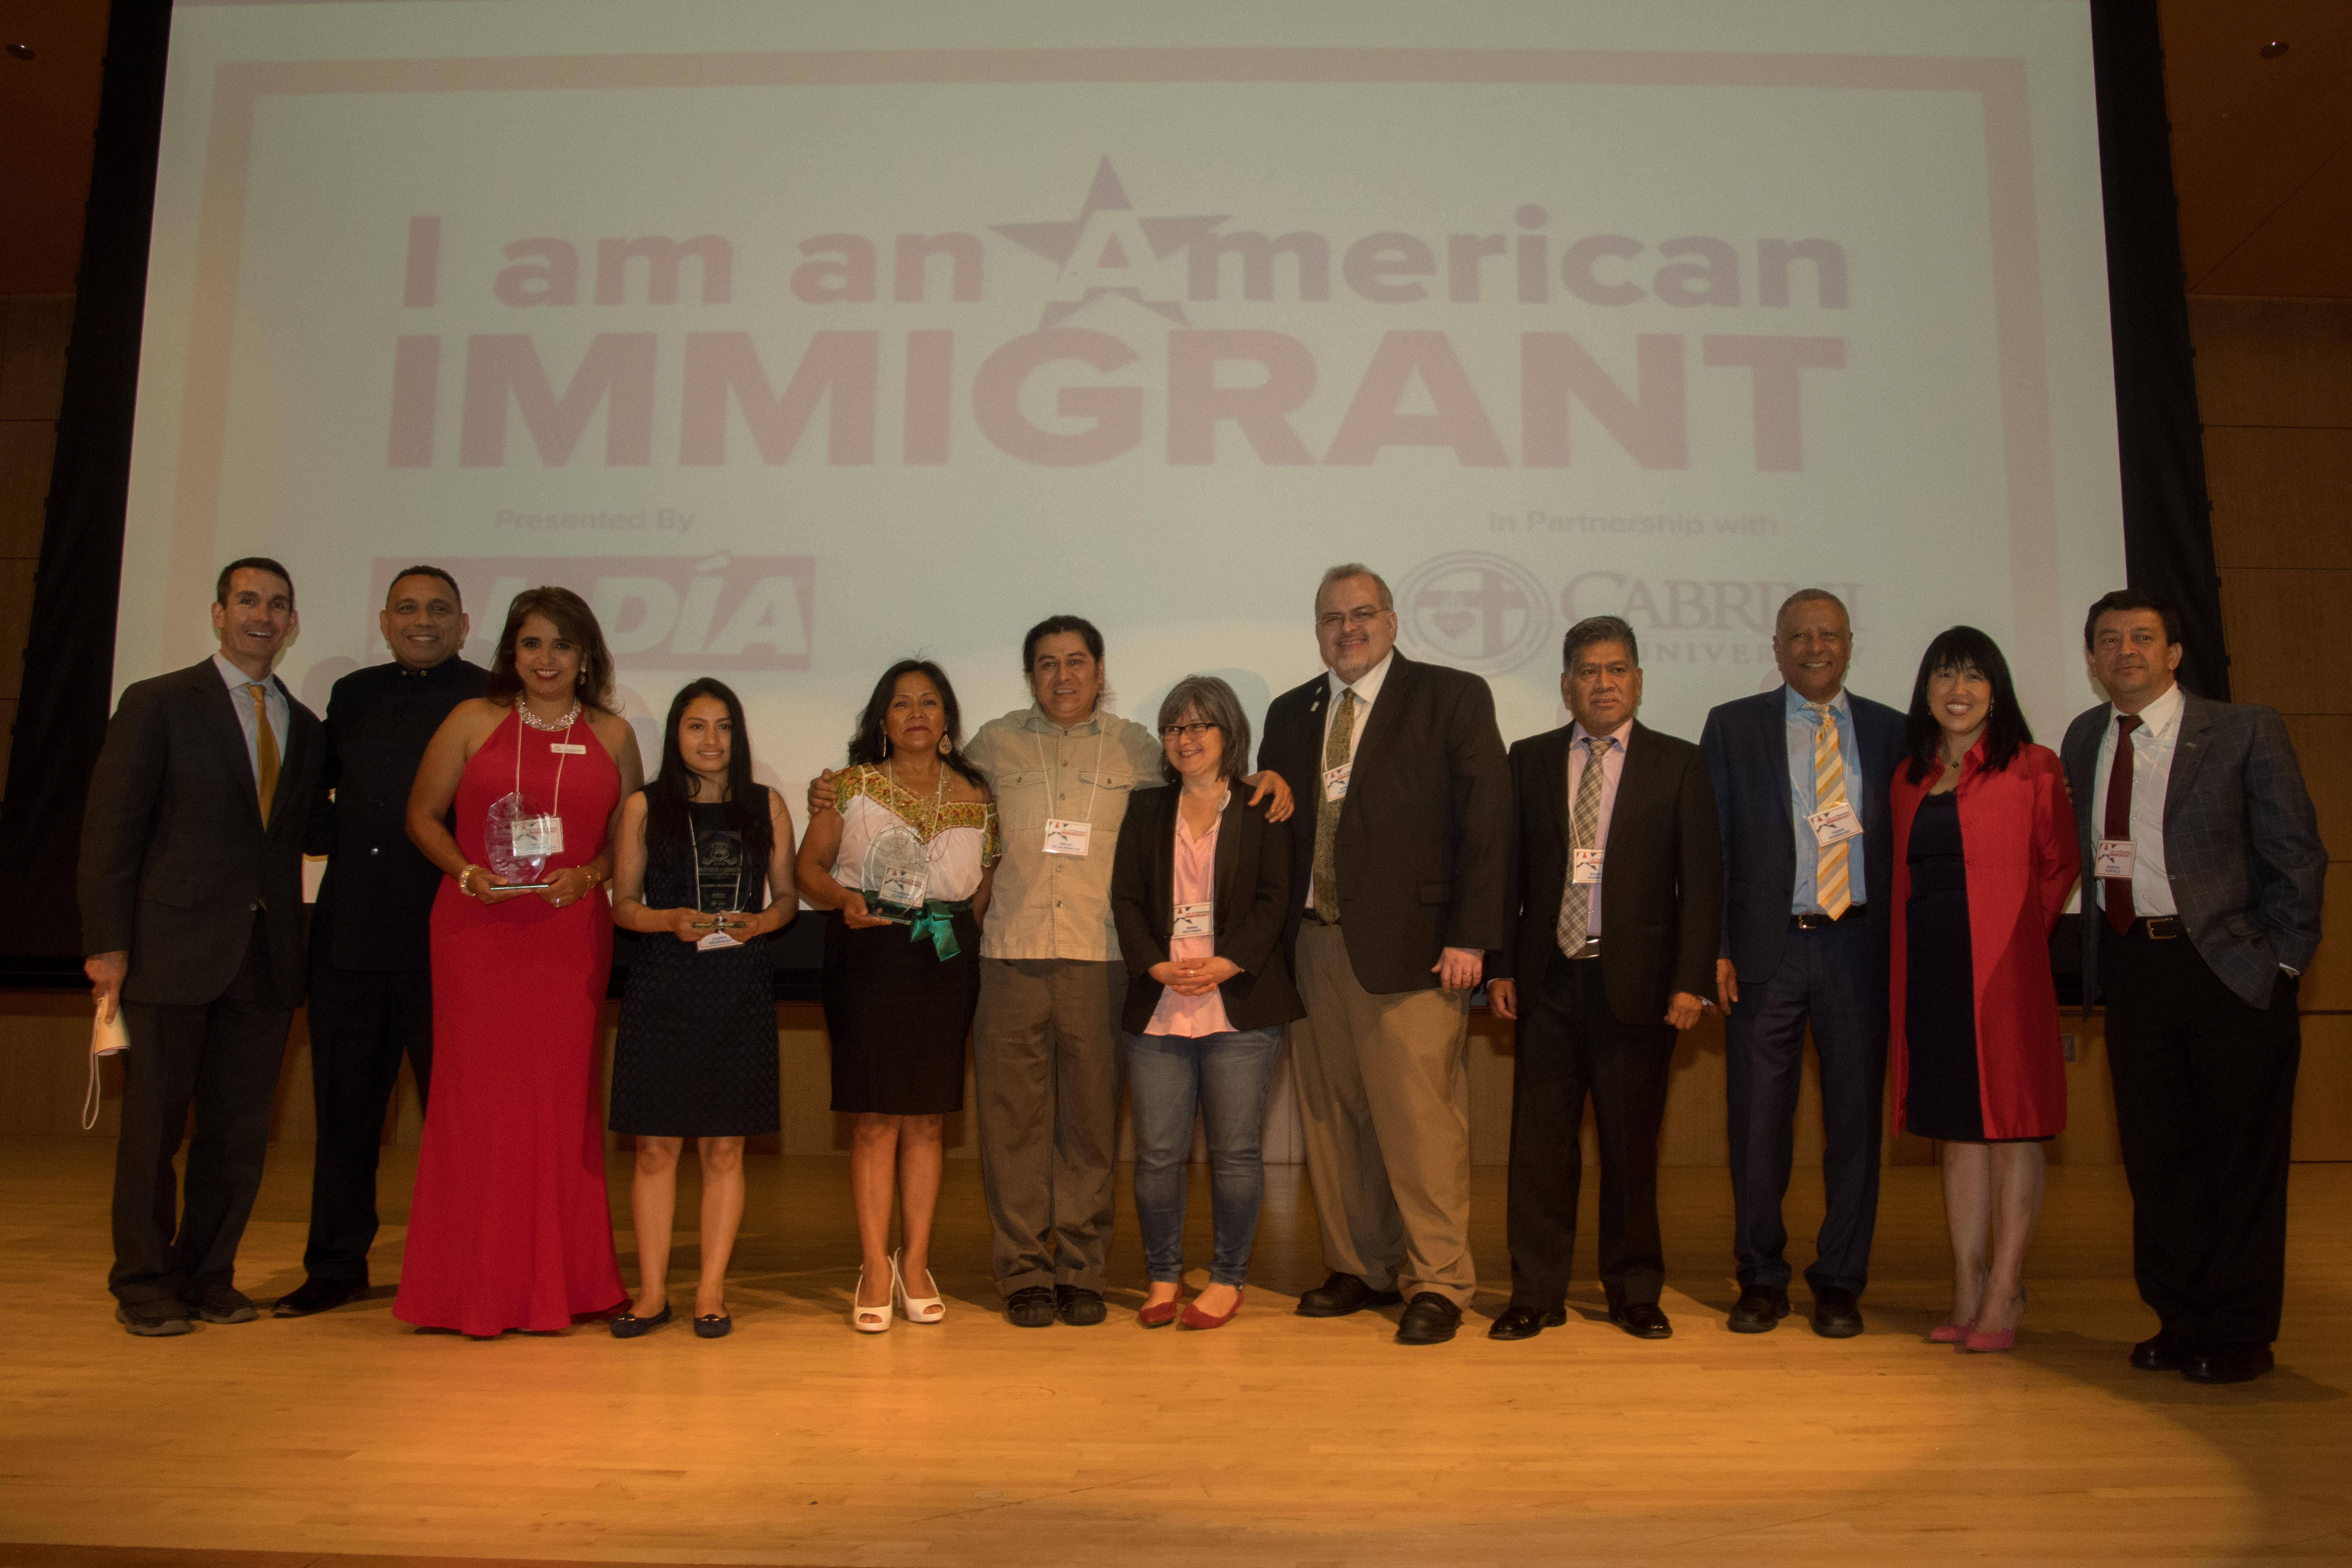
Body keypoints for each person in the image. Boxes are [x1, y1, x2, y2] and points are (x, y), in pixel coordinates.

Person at [808, 619, 1288, 1328]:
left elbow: (1205, 775)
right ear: (1029, 675)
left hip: (1103, 961)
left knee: (1091, 1126)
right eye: (1045, 664)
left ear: (1099, 670)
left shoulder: (1139, 748)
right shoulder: (992, 745)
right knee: (1012, 1126)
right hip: (1007, 955)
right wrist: (829, 788)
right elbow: (922, 781)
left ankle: (1081, 1271)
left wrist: (1262, 777)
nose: (1062, 676)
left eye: (1076, 662)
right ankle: (1025, 1271)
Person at [2062, 590, 2325, 1385]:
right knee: (2157, 1159)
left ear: (2174, 653)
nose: (2125, 652)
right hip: (2133, 969)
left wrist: (2281, 964)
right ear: (2092, 658)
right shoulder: (2083, 738)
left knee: (2238, 1160)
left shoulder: (2244, 730)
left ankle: (2239, 1331)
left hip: (2229, 968)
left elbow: (2297, 857)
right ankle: (2178, 1319)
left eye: (2142, 637)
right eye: (2107, 640)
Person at [1259, 564, 1512, 1346]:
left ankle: (1437, 1278)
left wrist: (1472, 935)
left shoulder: (1452, 696)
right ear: (1317, 630)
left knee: (1420, 1123)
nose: (1347, 628)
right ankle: (1359, 1264)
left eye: (1362, 613)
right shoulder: (1290, 712)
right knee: (1334, 1118)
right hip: (1313, 943)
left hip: (1416, 950)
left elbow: (1489, 822)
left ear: (1393, 621)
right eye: (1331, 617)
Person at [80, 558, 325, 1335]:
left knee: (236, 1135)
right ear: (218, 613)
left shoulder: (305, 724)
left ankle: (208, 1275)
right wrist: (107, 945)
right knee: (152, 1131)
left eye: (277, 604)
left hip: (264, 956)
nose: (263, 614)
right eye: (248, 600)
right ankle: (144, 1282)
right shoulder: (157, 703)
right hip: (166, 950)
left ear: (291, 624)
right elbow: (110, 830)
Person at [395, 586, 644, 1337]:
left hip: (569, 937)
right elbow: (420, 816)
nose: (546, 659)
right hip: (479, 931)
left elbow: (629, 838)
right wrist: (468, 872)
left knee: (559, 1110)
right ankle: (469, 1287)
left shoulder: (615, 734)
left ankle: (563, 1284)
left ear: (586, 655)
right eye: (532, 644)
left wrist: (594, 874)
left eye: (561, 646)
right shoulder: (472, 721)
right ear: (512, 651)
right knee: (479, 1111)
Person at [1488, 616, 1721, 1342]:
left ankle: (1633, 1291)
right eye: (1588, 671)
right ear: (1566, 685)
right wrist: (1498, 964)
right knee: (1539, 1148)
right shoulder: (1525, 761)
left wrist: (1689, 979)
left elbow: (1701, 883)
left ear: (1639, 682)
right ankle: (1536, 1292)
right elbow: (1505, 876)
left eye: (1617, 669)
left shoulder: (1677, 764)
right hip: (1548, 981)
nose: (1603, 683)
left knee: (1628, 1148)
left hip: (1638, 985)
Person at [277, 566, 487, 1319]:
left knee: (458, 1127)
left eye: (438, 609)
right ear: (385, 619)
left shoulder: (493, 698)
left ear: (464, 624)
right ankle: (335, 1266)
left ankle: (465, 1266)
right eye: (407, 608)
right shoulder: (352, 694)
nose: (421, 620)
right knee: (343, 1117)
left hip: (451, 942)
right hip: (351, 939)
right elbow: (315, 798)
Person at [1699, 588, 1906, 1337]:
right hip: (1767, 946)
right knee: (1757, 1123)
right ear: (1776, 647)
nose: (1814, 647)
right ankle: (1759, 1277)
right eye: (1798, 636)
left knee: (1853, 1122)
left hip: (1858, 943)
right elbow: (1713, 845)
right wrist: (1715, 945)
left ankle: (1840, 1281)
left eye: (1828, 634)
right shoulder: (1733, 726)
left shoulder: (1892, 731)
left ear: (1849, 643)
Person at [1888, 628, 2078, 1353]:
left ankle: (2006, 1286)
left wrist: (2012, 943)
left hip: (2004, 973)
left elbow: (2057, 867)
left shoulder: (2032, 766)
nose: (1957, 689)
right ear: (1926, 691)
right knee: (1957, 1130)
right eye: (1943, 676)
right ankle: (1965, 1284)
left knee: (2013, 1125)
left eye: (1972, 676)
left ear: (1995, 690)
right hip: (1929, 973)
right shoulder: (1908, 775)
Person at [798, 660, 997, 1332]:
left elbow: (980, 892)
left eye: (930, 702)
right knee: (876, 1118)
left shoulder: (979, 791)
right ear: (881, 719)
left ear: (947, 720)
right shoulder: (847, 787)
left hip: (945, 959)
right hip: (869, 954)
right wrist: (843, 900)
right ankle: (875, 1269)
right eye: (901, 703)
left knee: (930, 1118)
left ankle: (916, 1263)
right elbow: (808, 870)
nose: (916, 713)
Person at [606, 679, 797, 1339]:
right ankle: (652, 1292)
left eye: (723, 727)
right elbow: (622, 904)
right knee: (655, 1150)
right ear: (675, 734)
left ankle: (710, 1292)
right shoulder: (642, 806)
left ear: (737, 736)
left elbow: (787, 900)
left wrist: (760, 923)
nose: (710, 740)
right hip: (662, 982)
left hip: (737, 986)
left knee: (723, 1150)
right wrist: (667, 920)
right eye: (696, 726)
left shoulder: (764, 805)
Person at [1111, 676, 1302, 1330]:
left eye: (1198, 725)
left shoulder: (1262, 804)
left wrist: (1227, 961)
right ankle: (1163, 1274)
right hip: (1160, 999)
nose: (1185, 738)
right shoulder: (1144, 809)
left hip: (1238, 999)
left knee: (1236, 1151)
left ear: (1227, 732)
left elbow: (1276, 898)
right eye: (1173, 727)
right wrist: (1154, 963)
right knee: (1157, 1153)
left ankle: (1227, 1278)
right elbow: (1127, 899)